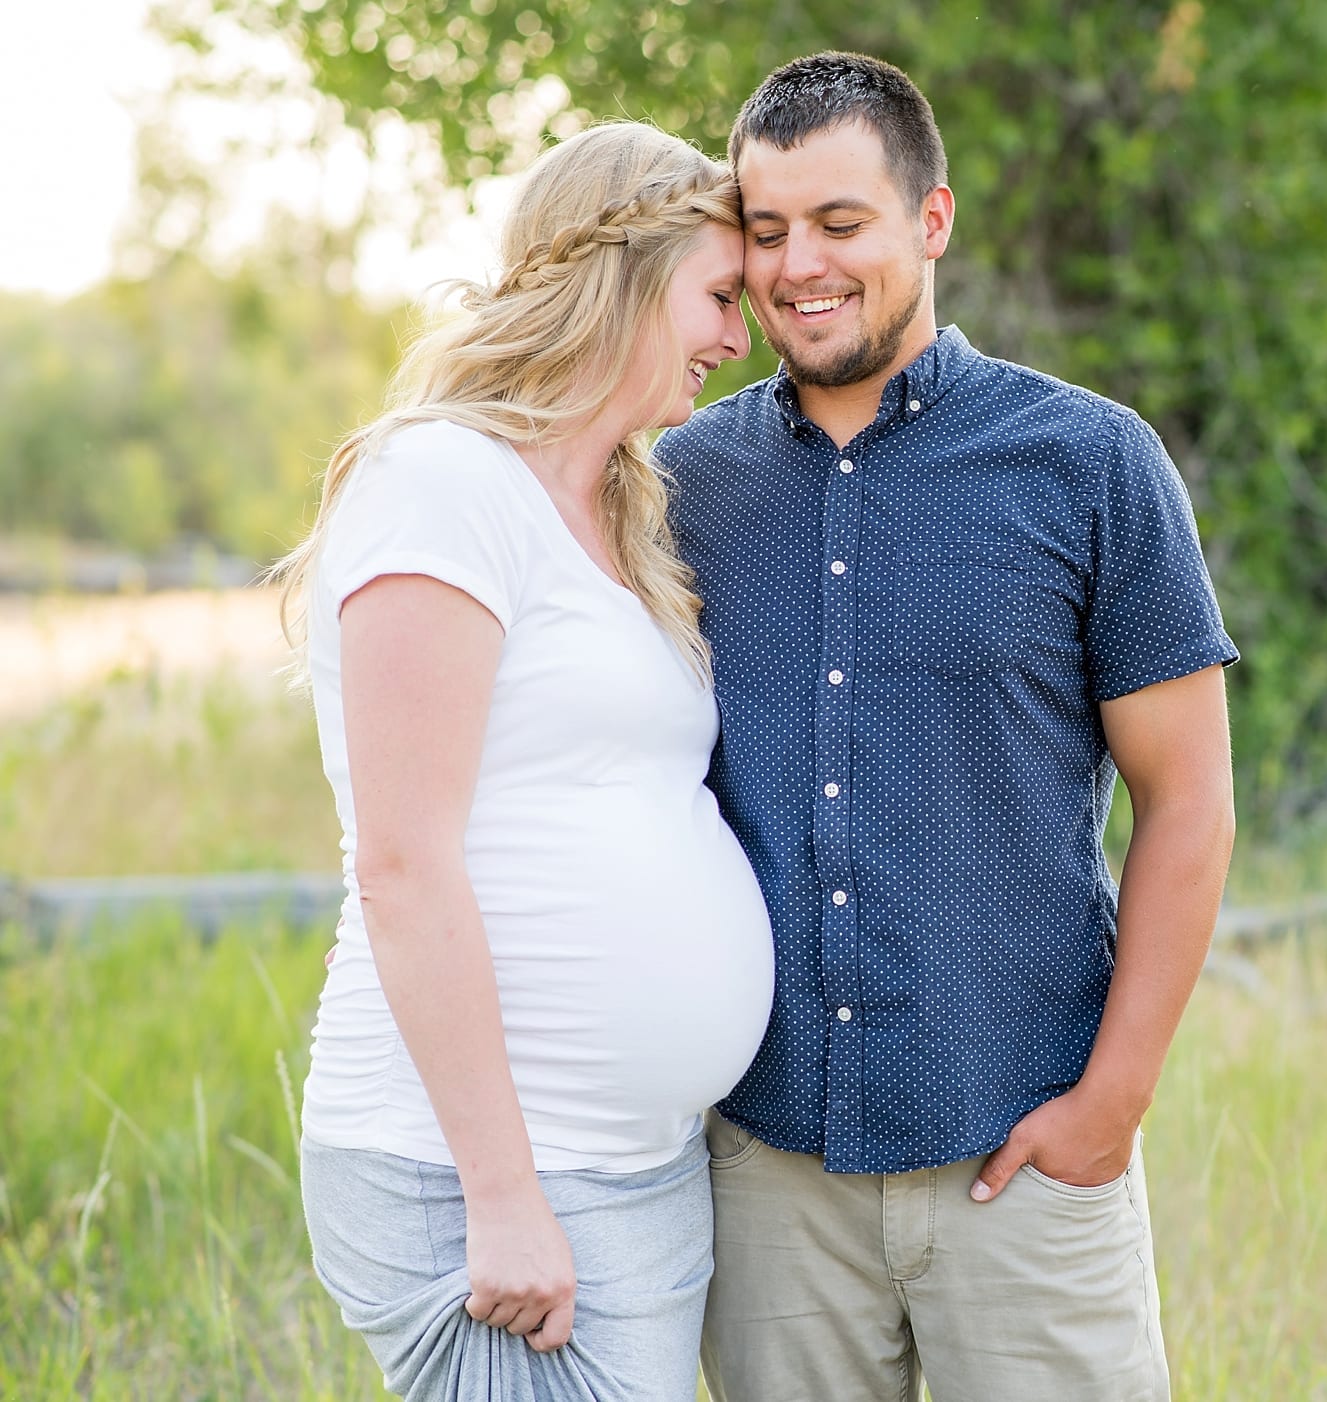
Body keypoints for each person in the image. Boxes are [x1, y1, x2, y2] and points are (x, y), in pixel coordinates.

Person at [658, 52, 1238, 1401]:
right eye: (767, 228)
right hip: (769, 1175)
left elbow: (1192, 802)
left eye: (841, 223)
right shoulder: (682, 484)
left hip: (1025, 1159)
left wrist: (1113, 1105)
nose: (800, 262)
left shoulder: (1092, 464)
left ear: (932, 220)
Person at [277, 121, 773, 1400]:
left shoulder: (618, 512)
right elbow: (402, 861)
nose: (740, 337)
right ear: (624, 275)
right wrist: (501, 1196)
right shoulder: (444, 483)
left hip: (632, 1167)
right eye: (719, 296)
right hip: (478, 1177)